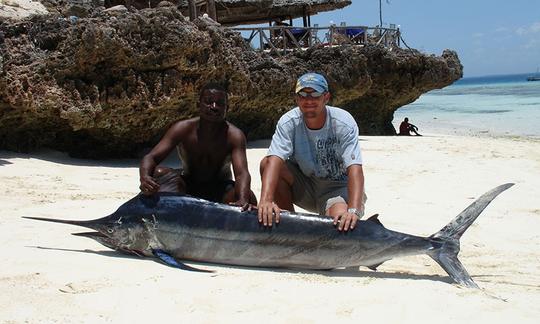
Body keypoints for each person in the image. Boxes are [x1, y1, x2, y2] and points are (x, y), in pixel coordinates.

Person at [258, 72, 366, 231]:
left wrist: (354, 210)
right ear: (297, 99)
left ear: (326, 97)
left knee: (339, 223)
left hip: (337, 189)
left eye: (315, 94)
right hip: (307, 185)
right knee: (266, 163)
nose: (309, 100)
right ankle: (289, 226)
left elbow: (355, 169)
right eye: (303, 95)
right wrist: (265, 201)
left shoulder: (343, 122)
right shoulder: (289, 122)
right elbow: (274, 159)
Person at [139, 83, 257, 210]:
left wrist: (242, 200)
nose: (214, 107)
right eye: (208, 102)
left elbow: (241, 173)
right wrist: (144, 177)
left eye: (220, 103)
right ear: (198, 105)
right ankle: (156, 211)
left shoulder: (234, 136)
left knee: (249, 196)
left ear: (226, 108)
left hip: (220, 189)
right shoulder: (182, 129)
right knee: (159, 173)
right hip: (187, 186)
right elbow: (151, 157)